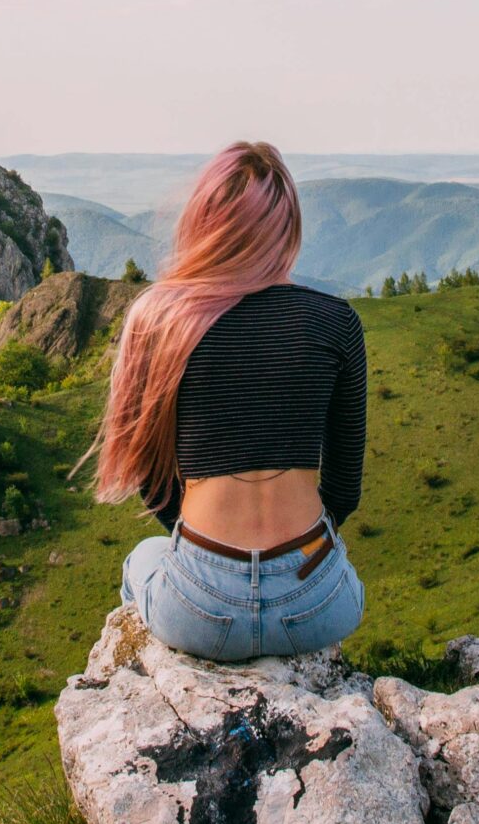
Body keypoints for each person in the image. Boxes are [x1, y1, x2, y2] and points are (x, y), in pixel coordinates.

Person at [91, 141, 368, 661]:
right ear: (288, 229)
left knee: (142, 561)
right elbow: (344, 493)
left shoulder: (159, 321)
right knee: (331, 562)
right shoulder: (337, 323)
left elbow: (153, 486)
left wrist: (215, 558)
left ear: (204, 224)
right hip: (316, 603)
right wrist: (295, 559)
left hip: (197, 608)